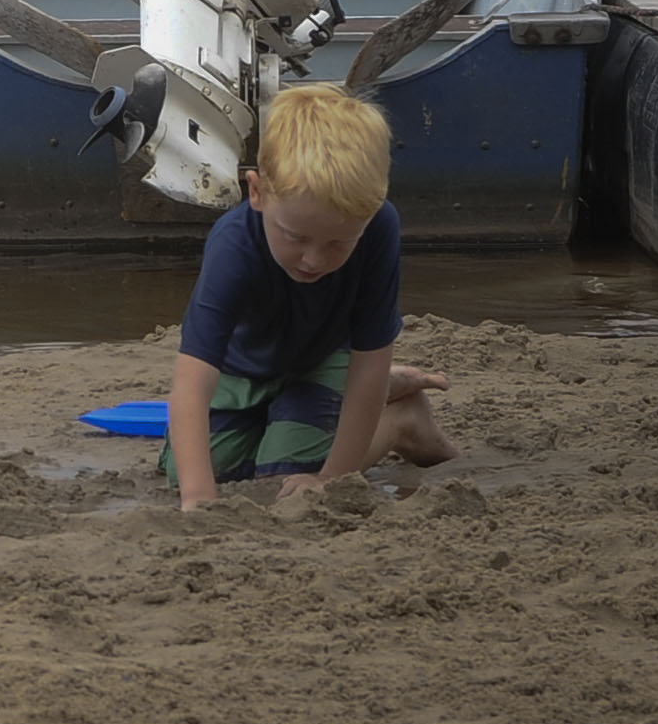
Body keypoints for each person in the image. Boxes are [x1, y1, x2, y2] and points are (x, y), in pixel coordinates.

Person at [164, 82, 457, 508]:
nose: (313, 260)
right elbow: (193, 379)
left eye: (338, 243)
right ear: (258, 193)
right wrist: (197, 498)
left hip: (323, 361)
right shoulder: (233, 244)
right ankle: (363, 403)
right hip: (245, 369)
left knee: (287, 480)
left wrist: (332, 477)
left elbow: (369, 363)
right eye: (295, 237)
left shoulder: (378, 229)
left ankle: (401, 421)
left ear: (371, 213)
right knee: (188, 472)